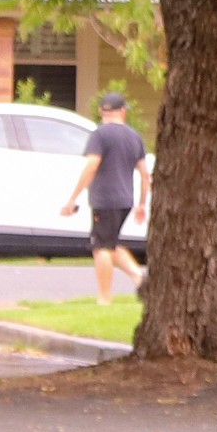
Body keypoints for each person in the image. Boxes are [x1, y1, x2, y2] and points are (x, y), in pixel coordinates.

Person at [61, 89, 147, 304]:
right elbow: (146, 174)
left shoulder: (100, 135)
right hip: (126, 200)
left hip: (105, 199)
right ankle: (139, 277)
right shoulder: (134, 136)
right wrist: (142, 204)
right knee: (110, 242)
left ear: (101, 111)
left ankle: (104, 298)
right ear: (123, 112)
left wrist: (74, 197)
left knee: (101, 248)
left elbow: (92, 165)